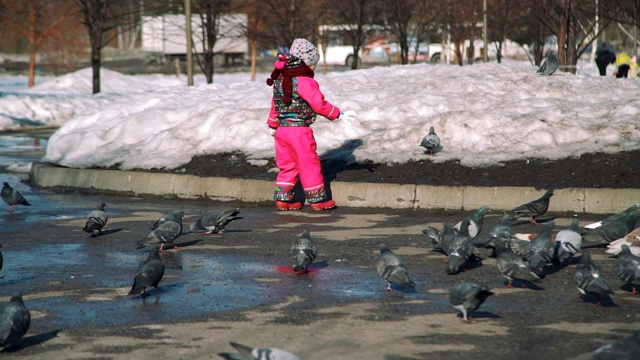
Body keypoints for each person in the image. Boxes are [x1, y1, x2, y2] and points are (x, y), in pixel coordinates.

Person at [265, 38, 348, 211]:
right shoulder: (304, 80)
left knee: (287, 164)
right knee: (308, 163)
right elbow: (318, 104)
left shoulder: (281, 78)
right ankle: (317, 201)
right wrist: (337, 113)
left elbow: (276, 103)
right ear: (306, 63)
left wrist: (272, 124)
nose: (314, 68)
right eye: (313, 64)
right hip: (299, 130)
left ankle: (283, 199)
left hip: (281, 130)